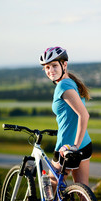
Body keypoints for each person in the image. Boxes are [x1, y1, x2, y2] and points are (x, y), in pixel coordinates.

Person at [39, 46, 92, 192]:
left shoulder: (63, 85)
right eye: (47, 67)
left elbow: (84, 115)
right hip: (85, 144)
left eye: (54, 66)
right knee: (84, 193)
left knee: (50, 187)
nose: (51, 71)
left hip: (67, 148)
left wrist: (74, 146)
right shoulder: (71, 82)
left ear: (64, 65)